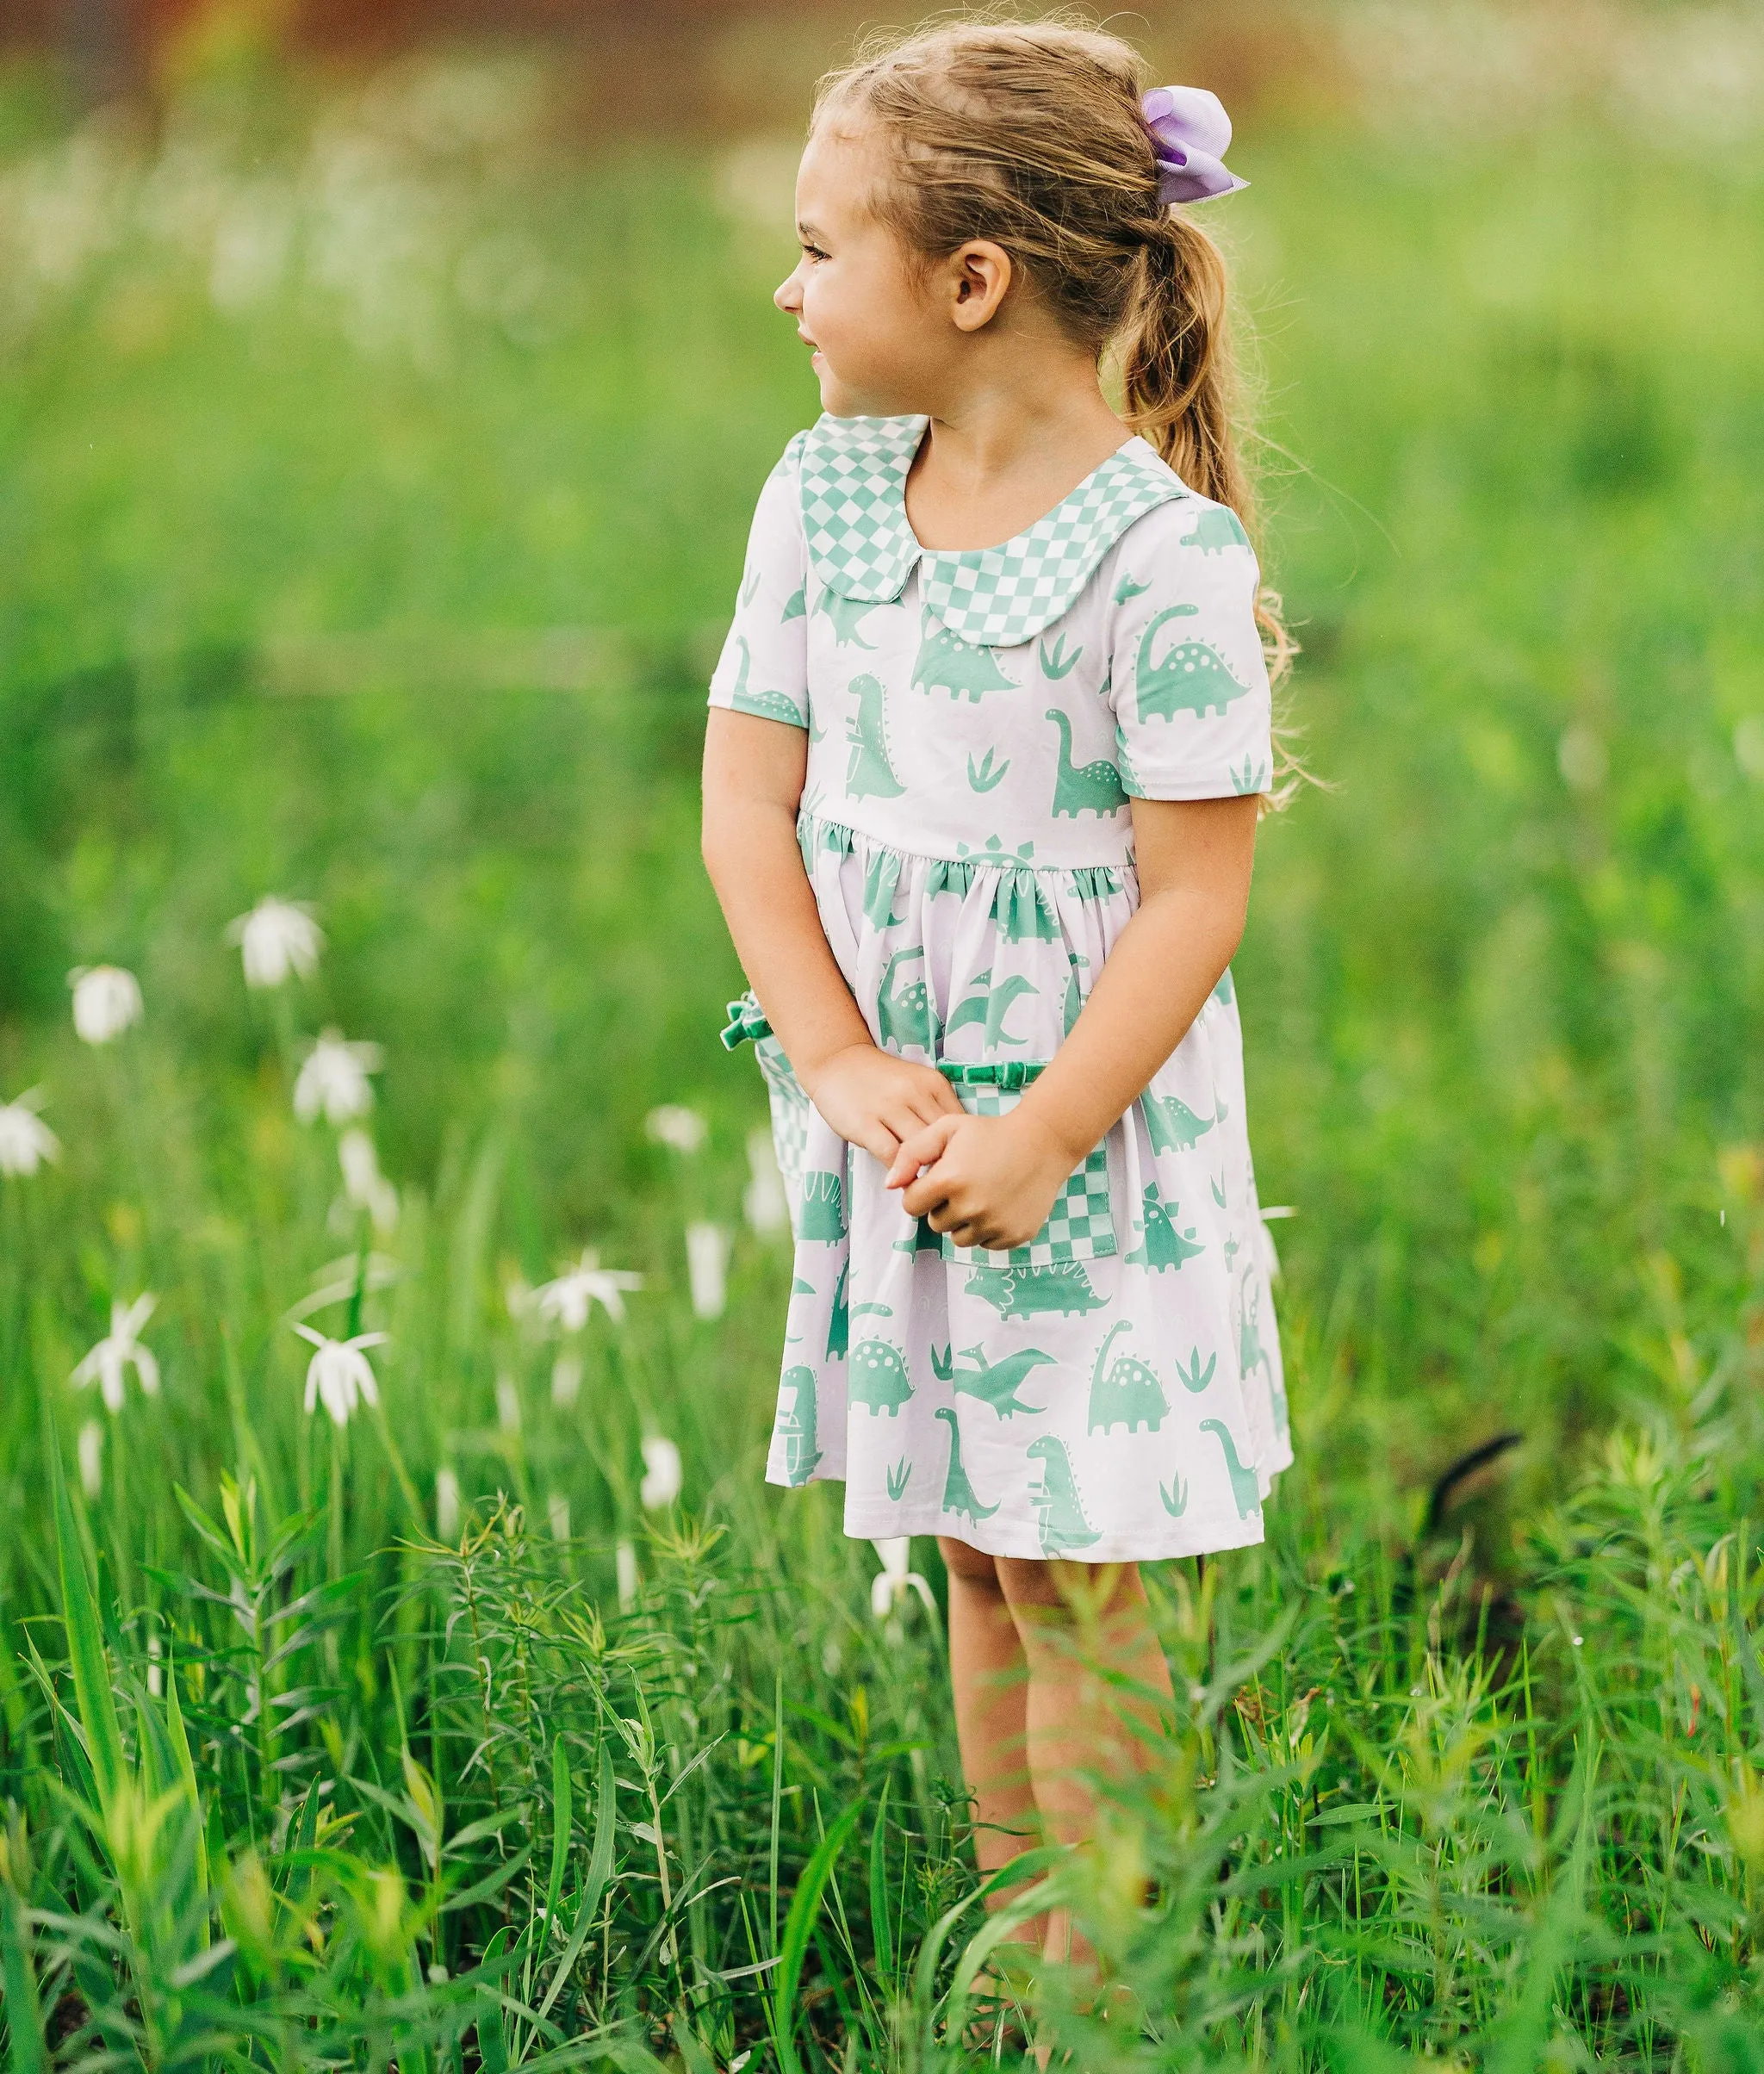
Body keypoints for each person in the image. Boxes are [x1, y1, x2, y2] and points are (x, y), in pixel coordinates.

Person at [701, 15, 1294, 1995]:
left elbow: (1193, 894)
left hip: (1074, 1136)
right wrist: (838, 1053)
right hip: (895, 1117)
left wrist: (1039, 1128)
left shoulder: (1162, 563)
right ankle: (1020, 1951)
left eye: (817, 246)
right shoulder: (824, 495)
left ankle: (1115, 1987)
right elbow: (743, 804)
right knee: (970, 1539)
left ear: (970, 281)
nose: (784, 287)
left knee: (1075, 1559)